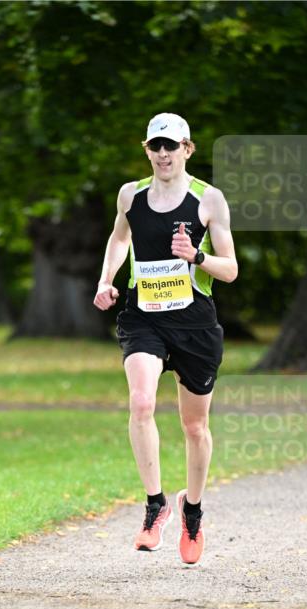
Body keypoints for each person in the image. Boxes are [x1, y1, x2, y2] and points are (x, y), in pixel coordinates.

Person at [93, 112, 238, 564]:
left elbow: (230, 269)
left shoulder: (208, 199)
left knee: (194, 427)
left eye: (171, 146)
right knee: (141, 402)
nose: (162, 154)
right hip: (143, 316)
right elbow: (119, 240)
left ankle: (191, 511)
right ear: (147, 149)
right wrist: (105, 280)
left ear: (187, 150)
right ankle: (155, 506)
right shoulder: (130, 195)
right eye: (155, 146)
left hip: (194, 322)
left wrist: (196, 256)